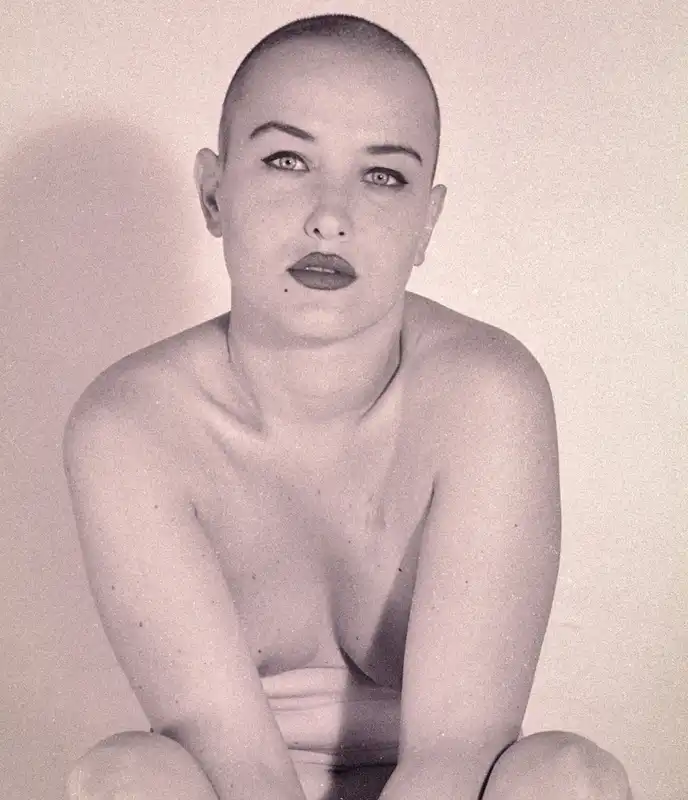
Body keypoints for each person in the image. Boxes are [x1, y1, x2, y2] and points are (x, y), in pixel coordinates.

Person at [62, 13, 632, 800]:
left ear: (426, 221)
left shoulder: (487, 392)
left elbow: (457, 750)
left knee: (572, 777)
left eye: (383, 175)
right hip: (242, 790)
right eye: (287, 160)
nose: (330, 215)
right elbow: (237, 762)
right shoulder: (130, 425)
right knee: (123, 776)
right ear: (214, 193)